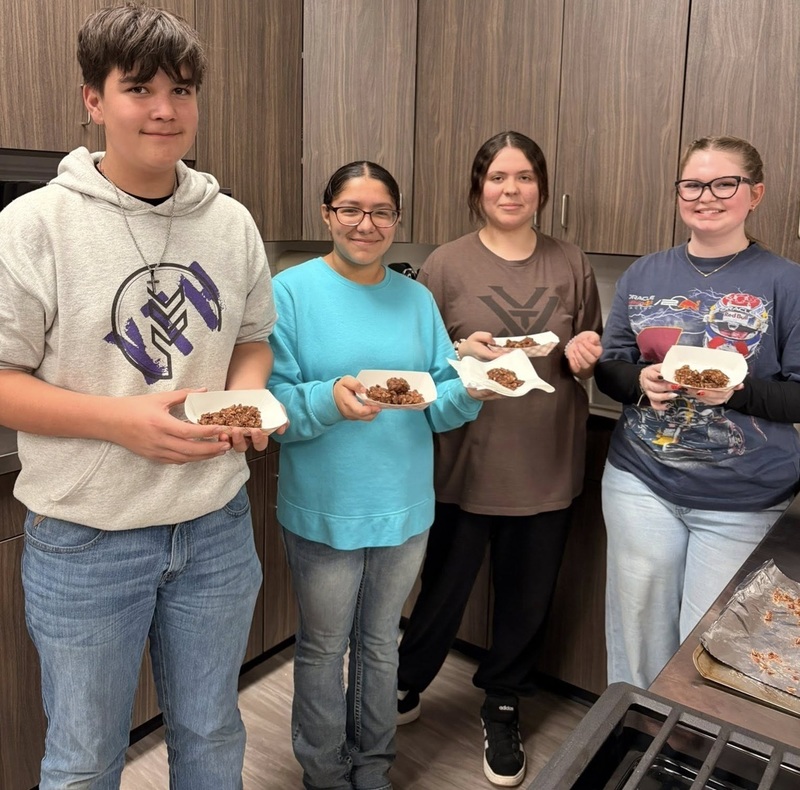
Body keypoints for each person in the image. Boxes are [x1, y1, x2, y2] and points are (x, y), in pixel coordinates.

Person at [0, 5, 282, 787]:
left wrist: (245, 404)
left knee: (213, 733)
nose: (165, 109)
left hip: (215, 527)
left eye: (183, 90)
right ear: (93, 100)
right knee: (84, 760)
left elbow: (254, 337)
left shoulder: (231, 223)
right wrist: (120, 423)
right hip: (88, 537)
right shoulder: (33, 226)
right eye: (140, 89)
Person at [267, 160, 494, 790]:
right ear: (327, 215)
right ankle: (324, 772)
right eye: (351, 209)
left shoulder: (415, 298)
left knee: (379, 645)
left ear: (396, 220)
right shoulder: (290, 291)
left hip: (402, 503)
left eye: (381, 212)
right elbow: (274, 402)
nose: (366, 224)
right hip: (324, 503)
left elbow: (440, 405)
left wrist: (476, 388)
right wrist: (327, 400)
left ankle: (373, 768)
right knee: (322, 646)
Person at [396, 131, 603, 788]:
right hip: (466, 460)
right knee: (442, 590)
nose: (511, 190)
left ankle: (505, 701)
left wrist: (582, 355)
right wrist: (460, 352)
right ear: (477, 188)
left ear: (543, 188)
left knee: (526, 598)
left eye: (524, 177)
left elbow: (583, 349)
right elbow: (422, 364)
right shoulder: (445, 266)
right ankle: (405, 682)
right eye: (497, 178)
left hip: (547, 460)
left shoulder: (571, 262)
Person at [594, 135, 800, 690]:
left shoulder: (787, 281)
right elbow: (611, 365)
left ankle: (682, 765)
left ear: (754, 193)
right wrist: (638, 381)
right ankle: (630, 745)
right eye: (693, 184)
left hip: (743, 497)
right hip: (641, 482)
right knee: (637, 636)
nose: (706, 196)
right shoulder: (644, 274)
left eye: (724, 183)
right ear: (678, 192)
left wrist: (732, 392)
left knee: (709, 654)